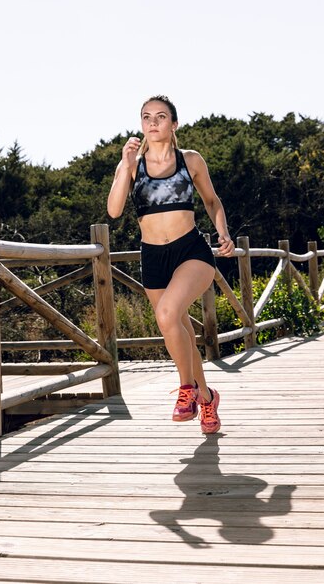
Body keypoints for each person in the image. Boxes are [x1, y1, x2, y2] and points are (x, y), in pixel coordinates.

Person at [107, 95, 234, 434]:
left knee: (166, 315)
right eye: (146, 117)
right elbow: (115, 210)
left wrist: (222, 232)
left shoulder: (189, 160)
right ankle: (207, 398)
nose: (153, 122)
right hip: (153, 257)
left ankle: (187, 390)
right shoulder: (132, 163)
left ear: (173, 124)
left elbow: (211, 200)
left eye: (161, 117)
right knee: (177, 329)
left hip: (190, 250)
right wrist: (124, 164)